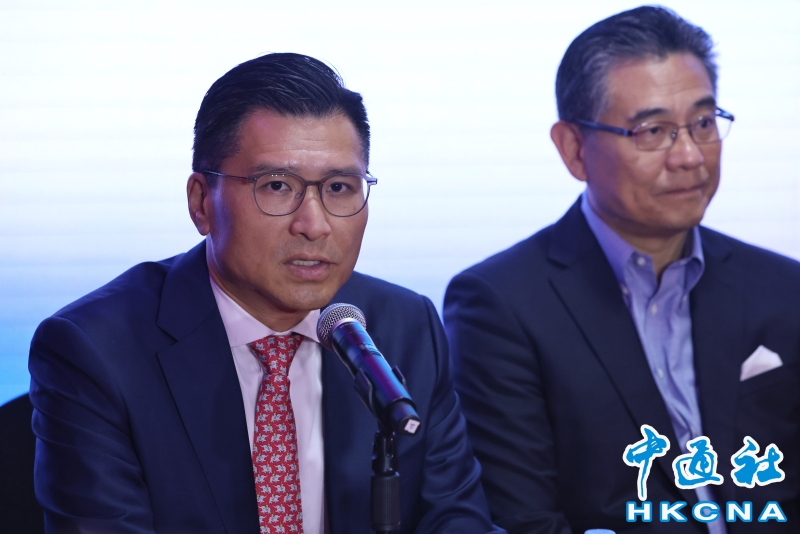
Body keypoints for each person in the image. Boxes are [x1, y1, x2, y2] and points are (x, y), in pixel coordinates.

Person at [29, 53, 499, 534]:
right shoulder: (95, 351)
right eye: (276, 186)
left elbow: (457, 519)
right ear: (201, 203)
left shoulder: (406, 327)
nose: (314, 225)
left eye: (339, 187)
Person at [444, 6, 800, 534]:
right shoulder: (500, 306)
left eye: (703, 123)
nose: (689, 157)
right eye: (652, 131)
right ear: (574, 150)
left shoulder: (784, 287)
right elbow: (524, 521)